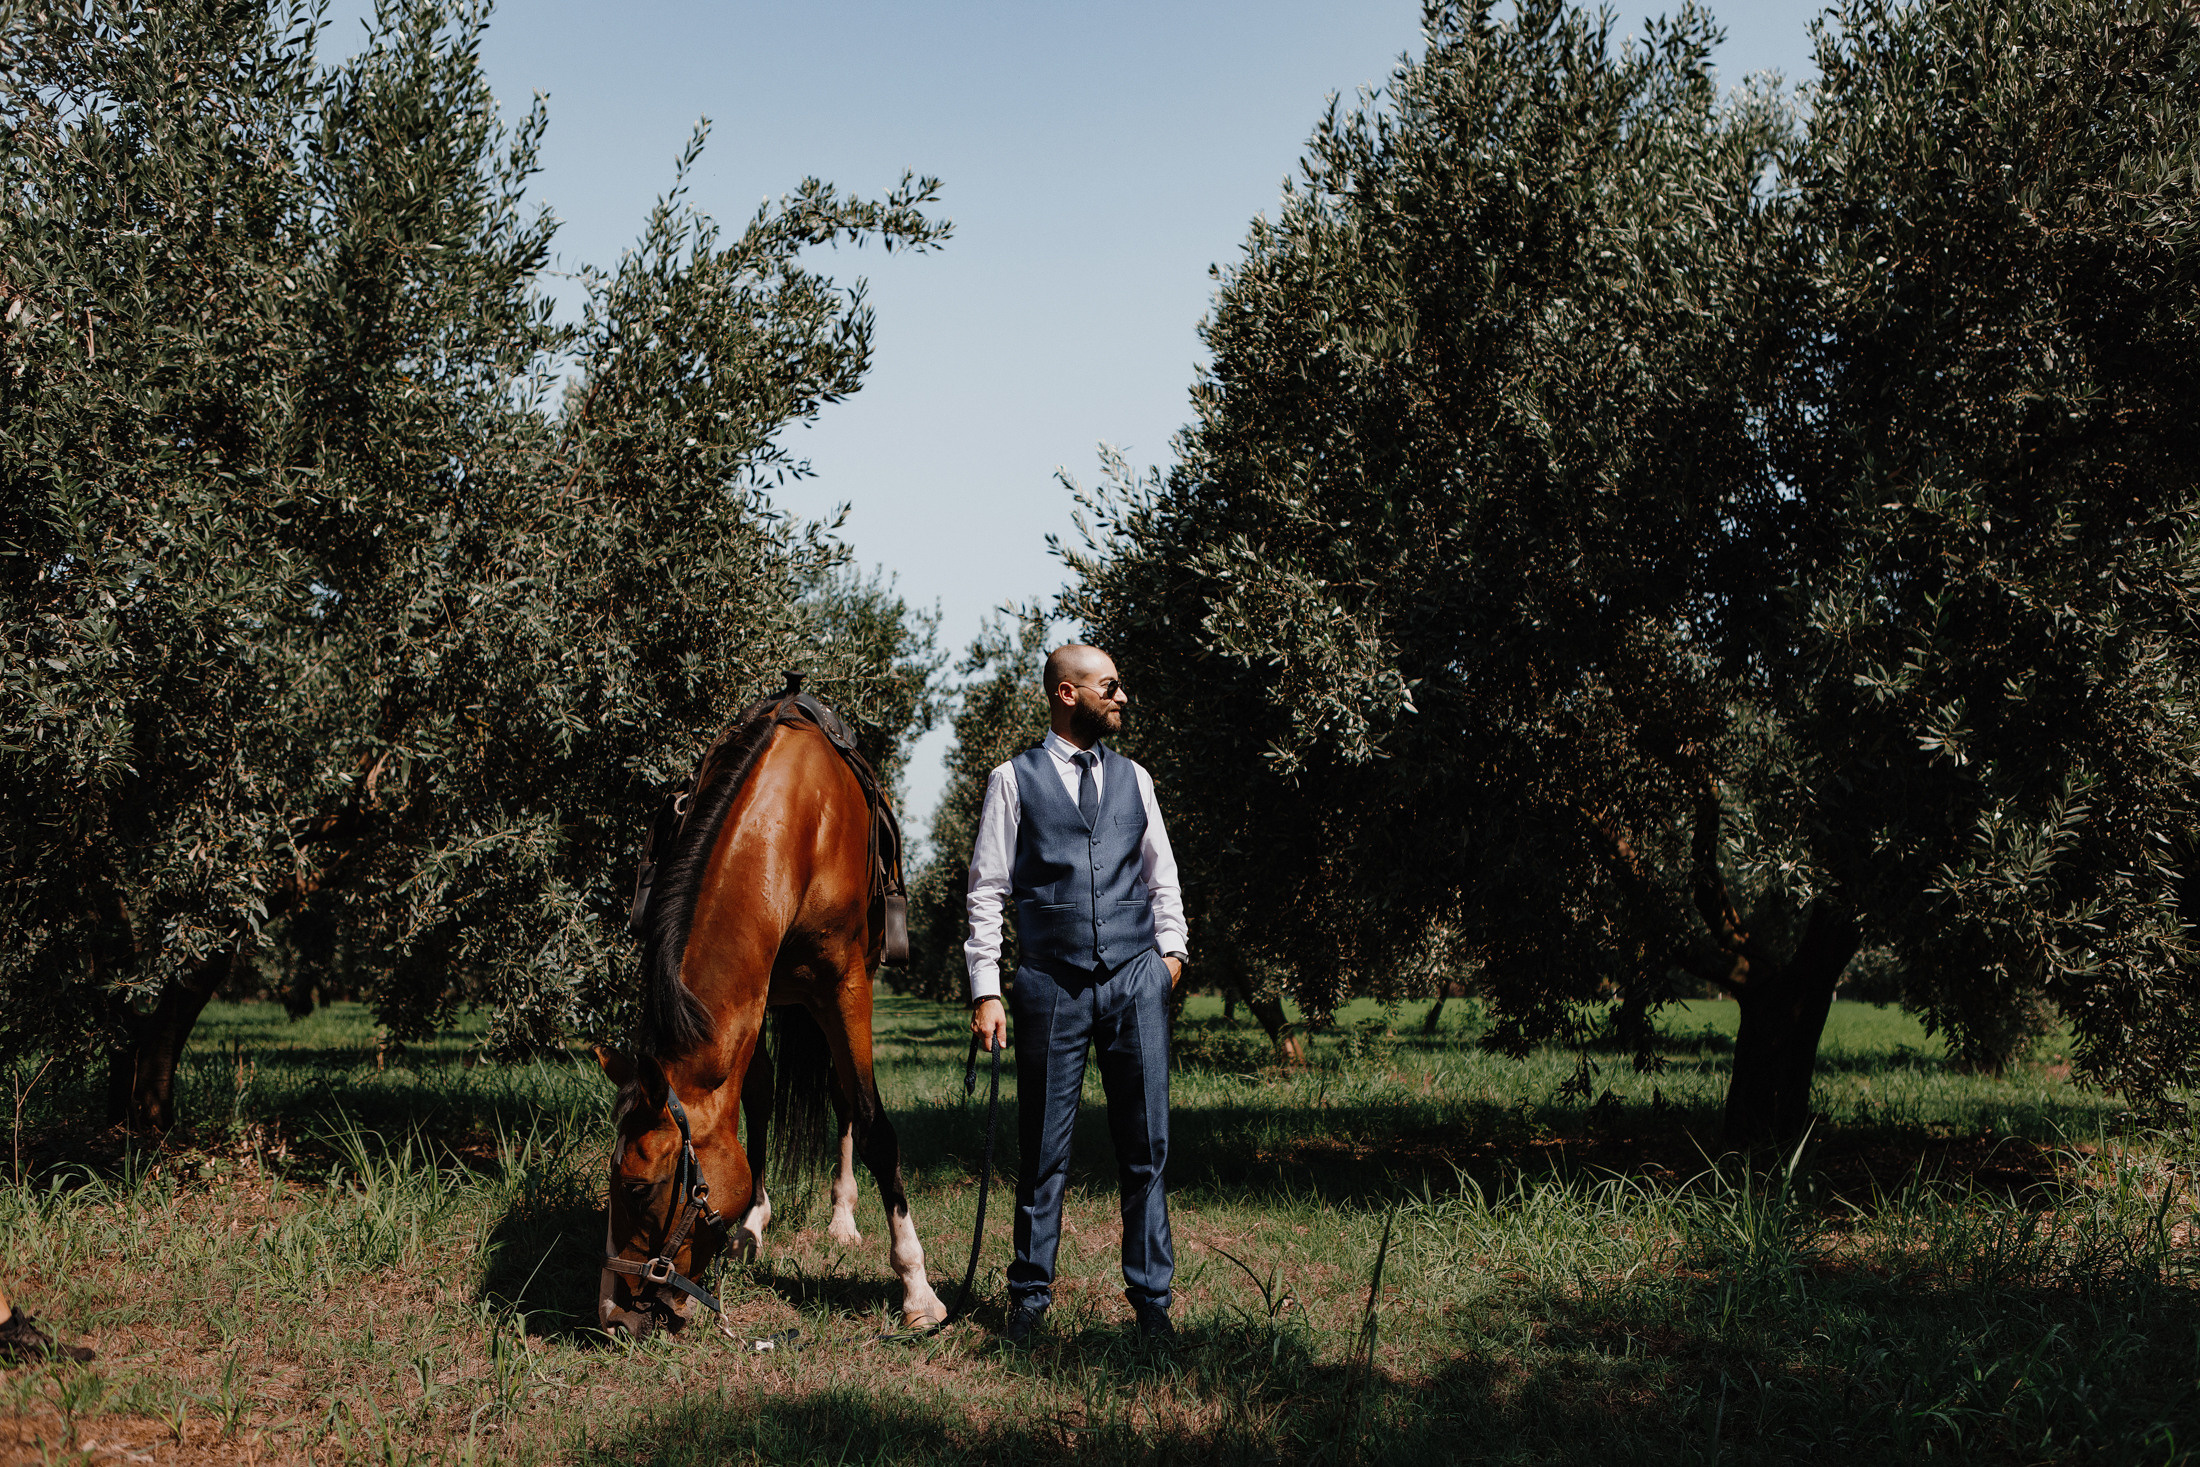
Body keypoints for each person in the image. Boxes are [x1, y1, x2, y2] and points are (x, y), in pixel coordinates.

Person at [967, 644, 1188, 1344]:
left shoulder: (1137, 778)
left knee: (1146, 1144)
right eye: (1109, 686)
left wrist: (1170, 958)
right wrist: (986, 988)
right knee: (1042, 1148)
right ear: (1068, 693)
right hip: (1050, 983)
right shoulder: (1013, 778)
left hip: (1134, 979)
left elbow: (1162, 877)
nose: (1122, 696)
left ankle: (1152, 1302)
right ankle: (1029, 1299)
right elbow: (986, 890)